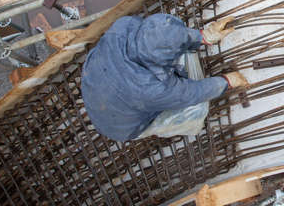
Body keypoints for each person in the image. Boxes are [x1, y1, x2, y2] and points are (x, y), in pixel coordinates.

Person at [81, 13, 248, 142]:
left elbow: (161, 36)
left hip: (91, 83)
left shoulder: (123, 25)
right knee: (197, 109)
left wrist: (203, 36)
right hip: (117, 126)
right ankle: (171, 126)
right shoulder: (150, 89)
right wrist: (226, 82)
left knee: (168, 62)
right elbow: (190, 93)